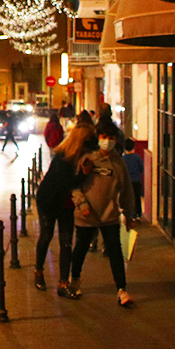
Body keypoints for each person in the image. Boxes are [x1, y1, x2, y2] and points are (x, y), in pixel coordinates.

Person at [69, 120, 138, 306]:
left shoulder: (118, 164)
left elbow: (126, 191)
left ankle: (122, 289)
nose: (107, 141)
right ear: (98, 138)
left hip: (109, 216)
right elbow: (75, 185)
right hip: (86, 215)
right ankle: (74, 280)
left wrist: (129, 214)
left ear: (117, 140)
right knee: (80, 249)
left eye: (111, 138)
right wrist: (81, 204)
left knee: (115, 252)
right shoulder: (87, 158)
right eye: (104, 137)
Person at [34, 122, 95, 296]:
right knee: (46, 235)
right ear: (81, 141)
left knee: (66, 242)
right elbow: (65, 184)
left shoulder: (81, 156)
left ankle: (63, 283)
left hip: (66, 204)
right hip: (49, 201)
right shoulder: (63, 158)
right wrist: (83, 175)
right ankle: (38, 271)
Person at [122, 138, 144, 219]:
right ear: (133, 147)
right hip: (136, 180)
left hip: (126, 182)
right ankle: (138, 213)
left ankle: (128, 213)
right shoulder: (137, 157)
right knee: (137, 197)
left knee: (127, 198)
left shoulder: (122, 158)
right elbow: (141, 168)